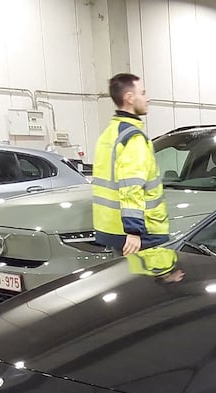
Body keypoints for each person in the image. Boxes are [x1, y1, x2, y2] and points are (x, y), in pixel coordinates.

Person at [92, 73, 171, 259]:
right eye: (142, 93)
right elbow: (131, 186)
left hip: (112, 228)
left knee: (124, 274)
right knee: (145, 276)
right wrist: (134, 230)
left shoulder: (109, 133)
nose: (147, 98)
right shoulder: (133, 138)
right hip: (140, 235)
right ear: (129, 98)